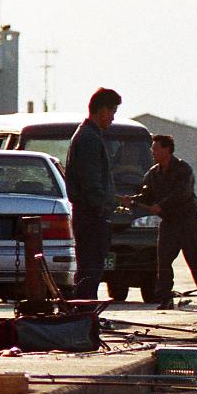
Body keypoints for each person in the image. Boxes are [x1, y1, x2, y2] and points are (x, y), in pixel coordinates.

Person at [133, 134, 197, 309]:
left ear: (167, 150)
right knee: (163, 261)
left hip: (187, 221)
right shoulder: (152, 174)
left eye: (156, 148)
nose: (153, 152)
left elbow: (182, 193)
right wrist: (133, 200)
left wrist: (161, 205)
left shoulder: (183, 169)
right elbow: (146, 195)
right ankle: (165, 298)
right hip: (169, 223)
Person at [65, 87, 122, 300]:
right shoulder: (89, 138)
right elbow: (91, 182)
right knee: (90, 270)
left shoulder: (88, 135)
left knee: (89, 270)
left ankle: (84, 316)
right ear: (102, 110)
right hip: (91, 216)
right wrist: (101, 207)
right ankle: (84, 317)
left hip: (88, 215)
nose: (113, 118)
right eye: (112, 112)